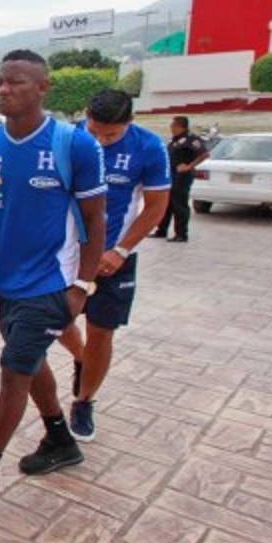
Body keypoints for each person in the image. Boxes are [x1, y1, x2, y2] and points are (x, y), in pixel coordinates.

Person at [0, 49, 107, 512]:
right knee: (28, 363)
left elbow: (96, 220)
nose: (5, 89)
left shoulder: (74, 145)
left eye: (16, 82)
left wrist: (83, 286)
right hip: (3, 283)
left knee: (14, 371)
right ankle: (59, 439)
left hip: (51, 284)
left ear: (43, 88)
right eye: (1, 82)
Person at [58, 89, 170, 441]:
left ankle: (84, 401)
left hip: (113, 258)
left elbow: (156, 206)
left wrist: (121, 250)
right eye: (94, 132)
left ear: (129, 122)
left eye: (111, 136)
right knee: (55, 321)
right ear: (86, 116)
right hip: (67, 253)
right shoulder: (67, 138)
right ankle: (82, 358)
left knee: (101, 332)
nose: (100, 141)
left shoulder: (148, 147)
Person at [152, 115, 208, 243]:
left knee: (179, 205)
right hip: (170, 175)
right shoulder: (175, 139)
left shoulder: (191, 139)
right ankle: (161, 230)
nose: (171, 128)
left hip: (182, 177)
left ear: (180, 126)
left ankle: (181, 234)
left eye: (173, 126)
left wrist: (189, 166)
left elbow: (204, 154)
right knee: (167, 204)